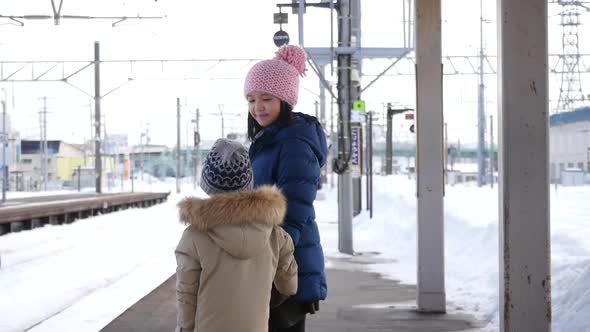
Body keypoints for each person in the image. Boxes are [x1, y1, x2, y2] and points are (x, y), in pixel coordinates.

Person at [244, 45, 328, 332]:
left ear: (286, 100)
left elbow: (294, 208)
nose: (258, 107)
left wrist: (272, 263)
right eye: (252, 99)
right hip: (276, 258)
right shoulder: (270, 140)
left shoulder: (293, 143)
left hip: (287, 262)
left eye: (266, 98)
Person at [174, 138, 298, 332]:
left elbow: (187, 296)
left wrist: (185, 328)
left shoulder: (193, 237)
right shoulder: (276, 235)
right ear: (247, 180)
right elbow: (289, 286)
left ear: (208, 183)